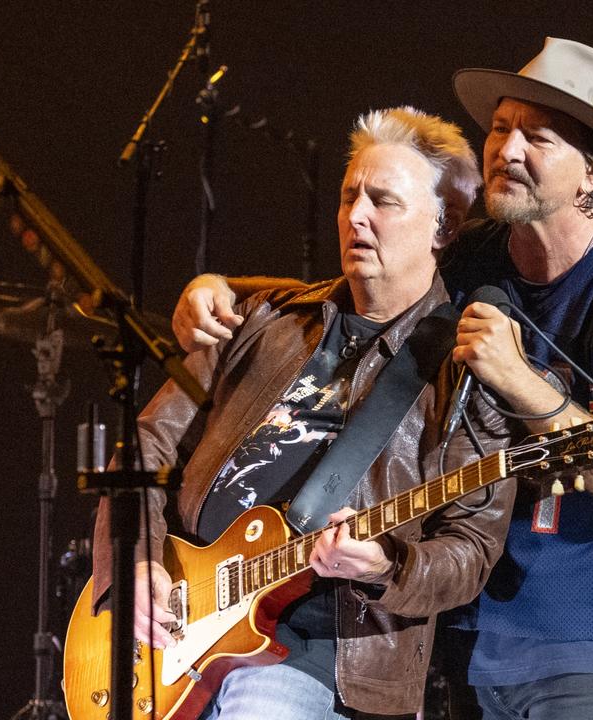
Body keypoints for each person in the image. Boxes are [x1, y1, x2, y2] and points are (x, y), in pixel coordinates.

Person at [171, 39, 593, 719]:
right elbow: (344, 298)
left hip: (592, 641)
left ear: (592, 173)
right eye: (500, 128)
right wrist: (219, 288)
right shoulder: (467, 259)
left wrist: (521, 382)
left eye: (539, 137)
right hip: (464, 625)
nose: (507, 150)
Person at [91, 106, 515, 720]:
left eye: (384, 201)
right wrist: (134, 563)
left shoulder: (466, 371)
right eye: (349, 197)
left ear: (443, 229)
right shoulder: (266, 319)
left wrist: (387, 565)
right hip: (177, 625)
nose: (357, 217)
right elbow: (147, 446)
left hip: (318, 649)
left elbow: (470, 551)